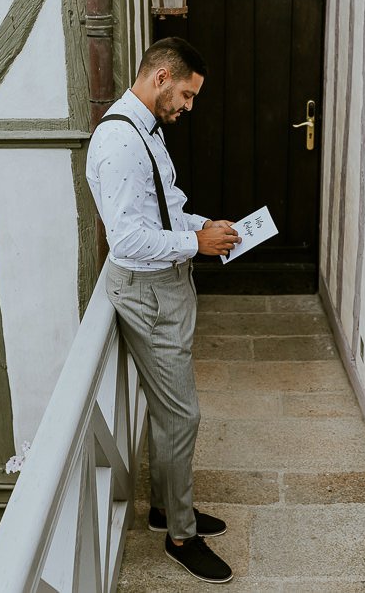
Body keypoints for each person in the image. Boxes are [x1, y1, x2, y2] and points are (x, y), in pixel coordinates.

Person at [86, 37, 240, 584]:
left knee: (167, 408)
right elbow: (127, 240)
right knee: (182, 414)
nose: (188, 107)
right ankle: (179, 534)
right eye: (187, 95)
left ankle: (162, 507)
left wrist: (202, 227)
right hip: (148, 292)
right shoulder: (121, 142)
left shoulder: (142, 129)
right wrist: (194, 245)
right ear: (161, 77)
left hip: (161, 287)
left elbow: (164, 205)